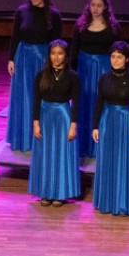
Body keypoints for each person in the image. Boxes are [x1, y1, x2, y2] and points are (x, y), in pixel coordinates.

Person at [7, 0, 63, 152]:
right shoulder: (22, 11)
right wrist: (11, 59)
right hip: (23, 58)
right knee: (23, 96)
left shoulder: (53, 14)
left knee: (41, 96)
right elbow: (15, 36)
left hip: (43, 59)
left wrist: (55, 63)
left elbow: (57, 43)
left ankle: (41, 137)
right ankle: (22, 137)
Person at [91, 41, 129, 216]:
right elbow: (99, 102)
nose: (115, 60)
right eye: (113, 56)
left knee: (124, 161)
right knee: (107, 160)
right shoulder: (104, 78)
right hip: (107, 121)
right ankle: (106, 200)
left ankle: (123, 202)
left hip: (126, 122)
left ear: (127, 59)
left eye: (119, 57)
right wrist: (95, 125)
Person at [72, 0, 123, 159]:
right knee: (84, 103)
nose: (95, 8)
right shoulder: (80, 25)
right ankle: (83, 145)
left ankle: (101, 146)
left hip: (104, 69)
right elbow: (74, 51)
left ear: (106, 7)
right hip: (85, 69)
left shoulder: (113, 28)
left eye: (99, 5)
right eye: (93, 5)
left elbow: (119, 52)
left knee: (101, 103)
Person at [29, 40, 81, 206]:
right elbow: (36, 100)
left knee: (61, 155)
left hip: (63, 117)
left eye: (59, 53)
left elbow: (77, 102)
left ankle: (60, 193)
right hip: (45, 117)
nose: (56, 57)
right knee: (45, 154)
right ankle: (45, 192)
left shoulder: (73, 76)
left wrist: (73, 125)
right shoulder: (41, 75)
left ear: (66, 56)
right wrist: (35, 123)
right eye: (53, 53)